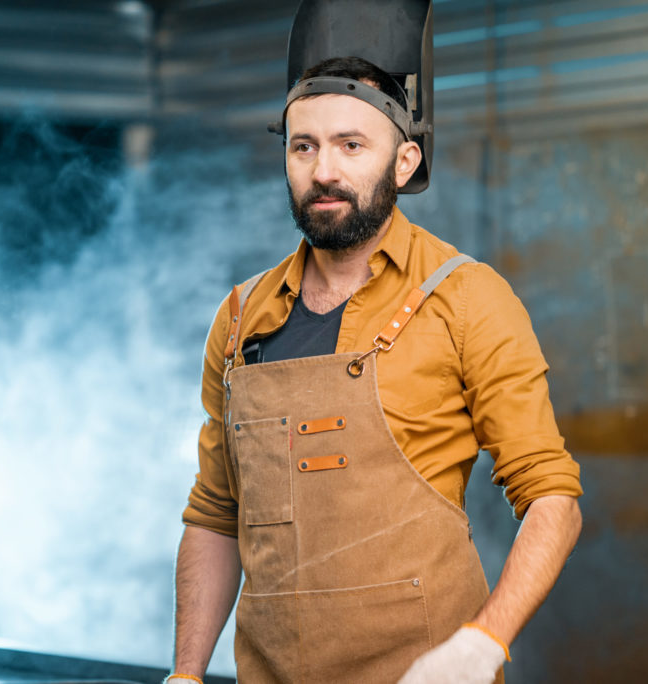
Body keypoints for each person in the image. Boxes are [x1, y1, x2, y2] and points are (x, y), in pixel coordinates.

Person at [168, 56, 583, 684]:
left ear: (405, 161)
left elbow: (553, 497)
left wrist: (482, 645)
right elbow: (215, 516)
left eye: (351, 145)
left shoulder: (467, 298)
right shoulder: (239, 318)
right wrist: (186, 674)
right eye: (303, 146)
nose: (323, 171)